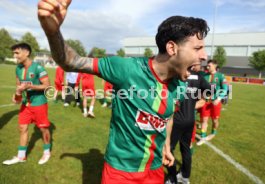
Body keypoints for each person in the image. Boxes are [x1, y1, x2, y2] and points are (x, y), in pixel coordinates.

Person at [38, 1, 209, 182]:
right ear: (172, 48)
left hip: (155, 170)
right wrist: (53, 31)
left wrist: (166, 146)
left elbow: (168, 117)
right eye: (198, 48)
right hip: (121, 173)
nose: (204, 56)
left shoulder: (180, 85)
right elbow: (72, 62)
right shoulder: (126, 69)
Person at [3, 43, 51, 165]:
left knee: (43, 129)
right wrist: (16, 95)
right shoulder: (18, 69)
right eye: (14, 53)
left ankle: (46, 152)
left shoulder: (38, 68)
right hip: (26, 104)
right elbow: (18, 86)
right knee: (22, 128)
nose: (15, 56)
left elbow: (47, 86)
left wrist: (31, 86)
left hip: (39, 103)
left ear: (27, 53)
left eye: (17, 53)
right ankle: (21, 156)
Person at [165, 63, 211, 184]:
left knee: (168, 149)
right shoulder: (198, 77)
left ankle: (172, 178)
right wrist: (193, 103)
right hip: (190, 120)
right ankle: (185, 177)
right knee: (186, 148)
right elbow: (211, 90)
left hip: (176, 120)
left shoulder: (176, 74)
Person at [197, 59, 228, 146]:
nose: (207, 67)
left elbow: (225, 89)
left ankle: (213, 132)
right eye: (207, 65)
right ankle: (203, 137)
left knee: (215, 120)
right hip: (205, 101)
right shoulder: (204, 76)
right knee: (204, 119)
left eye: (209, 66)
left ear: (215, 65)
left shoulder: (221, 76)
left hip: (215, 102)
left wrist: (219, 98)